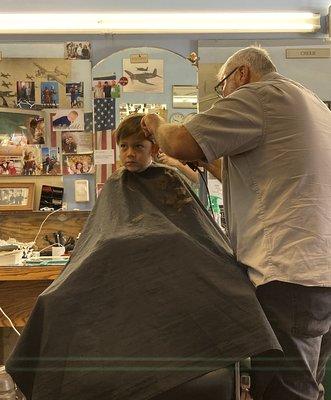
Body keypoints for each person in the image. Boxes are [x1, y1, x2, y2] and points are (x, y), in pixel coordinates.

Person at [141, 45, 331, 400]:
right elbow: (248, 175)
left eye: (221, 87)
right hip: (319, 274)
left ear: (241, 74)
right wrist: (204, 158)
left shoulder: (259, 95)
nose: (223, 96)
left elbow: (179, 140)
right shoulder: (310, 102)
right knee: (308, 389)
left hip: (288, 276)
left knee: (286, 394)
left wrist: (156, 124)